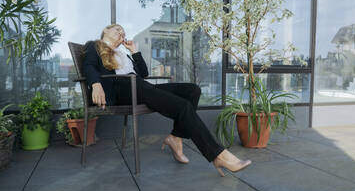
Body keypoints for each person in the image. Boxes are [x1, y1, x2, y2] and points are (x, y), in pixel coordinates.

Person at [82, 24, 251, 177]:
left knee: (192, 91)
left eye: (123, 32)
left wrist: (133, 51)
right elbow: (88, 66)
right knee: (183, 107)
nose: (121, 33)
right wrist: (96, 84)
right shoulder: (94, 45)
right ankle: (219, 155)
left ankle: (176, 137)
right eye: (117, 29)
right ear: (105, 30)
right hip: (122, 90)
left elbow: (144, 74)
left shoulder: (123, 53)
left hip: (139, 86)